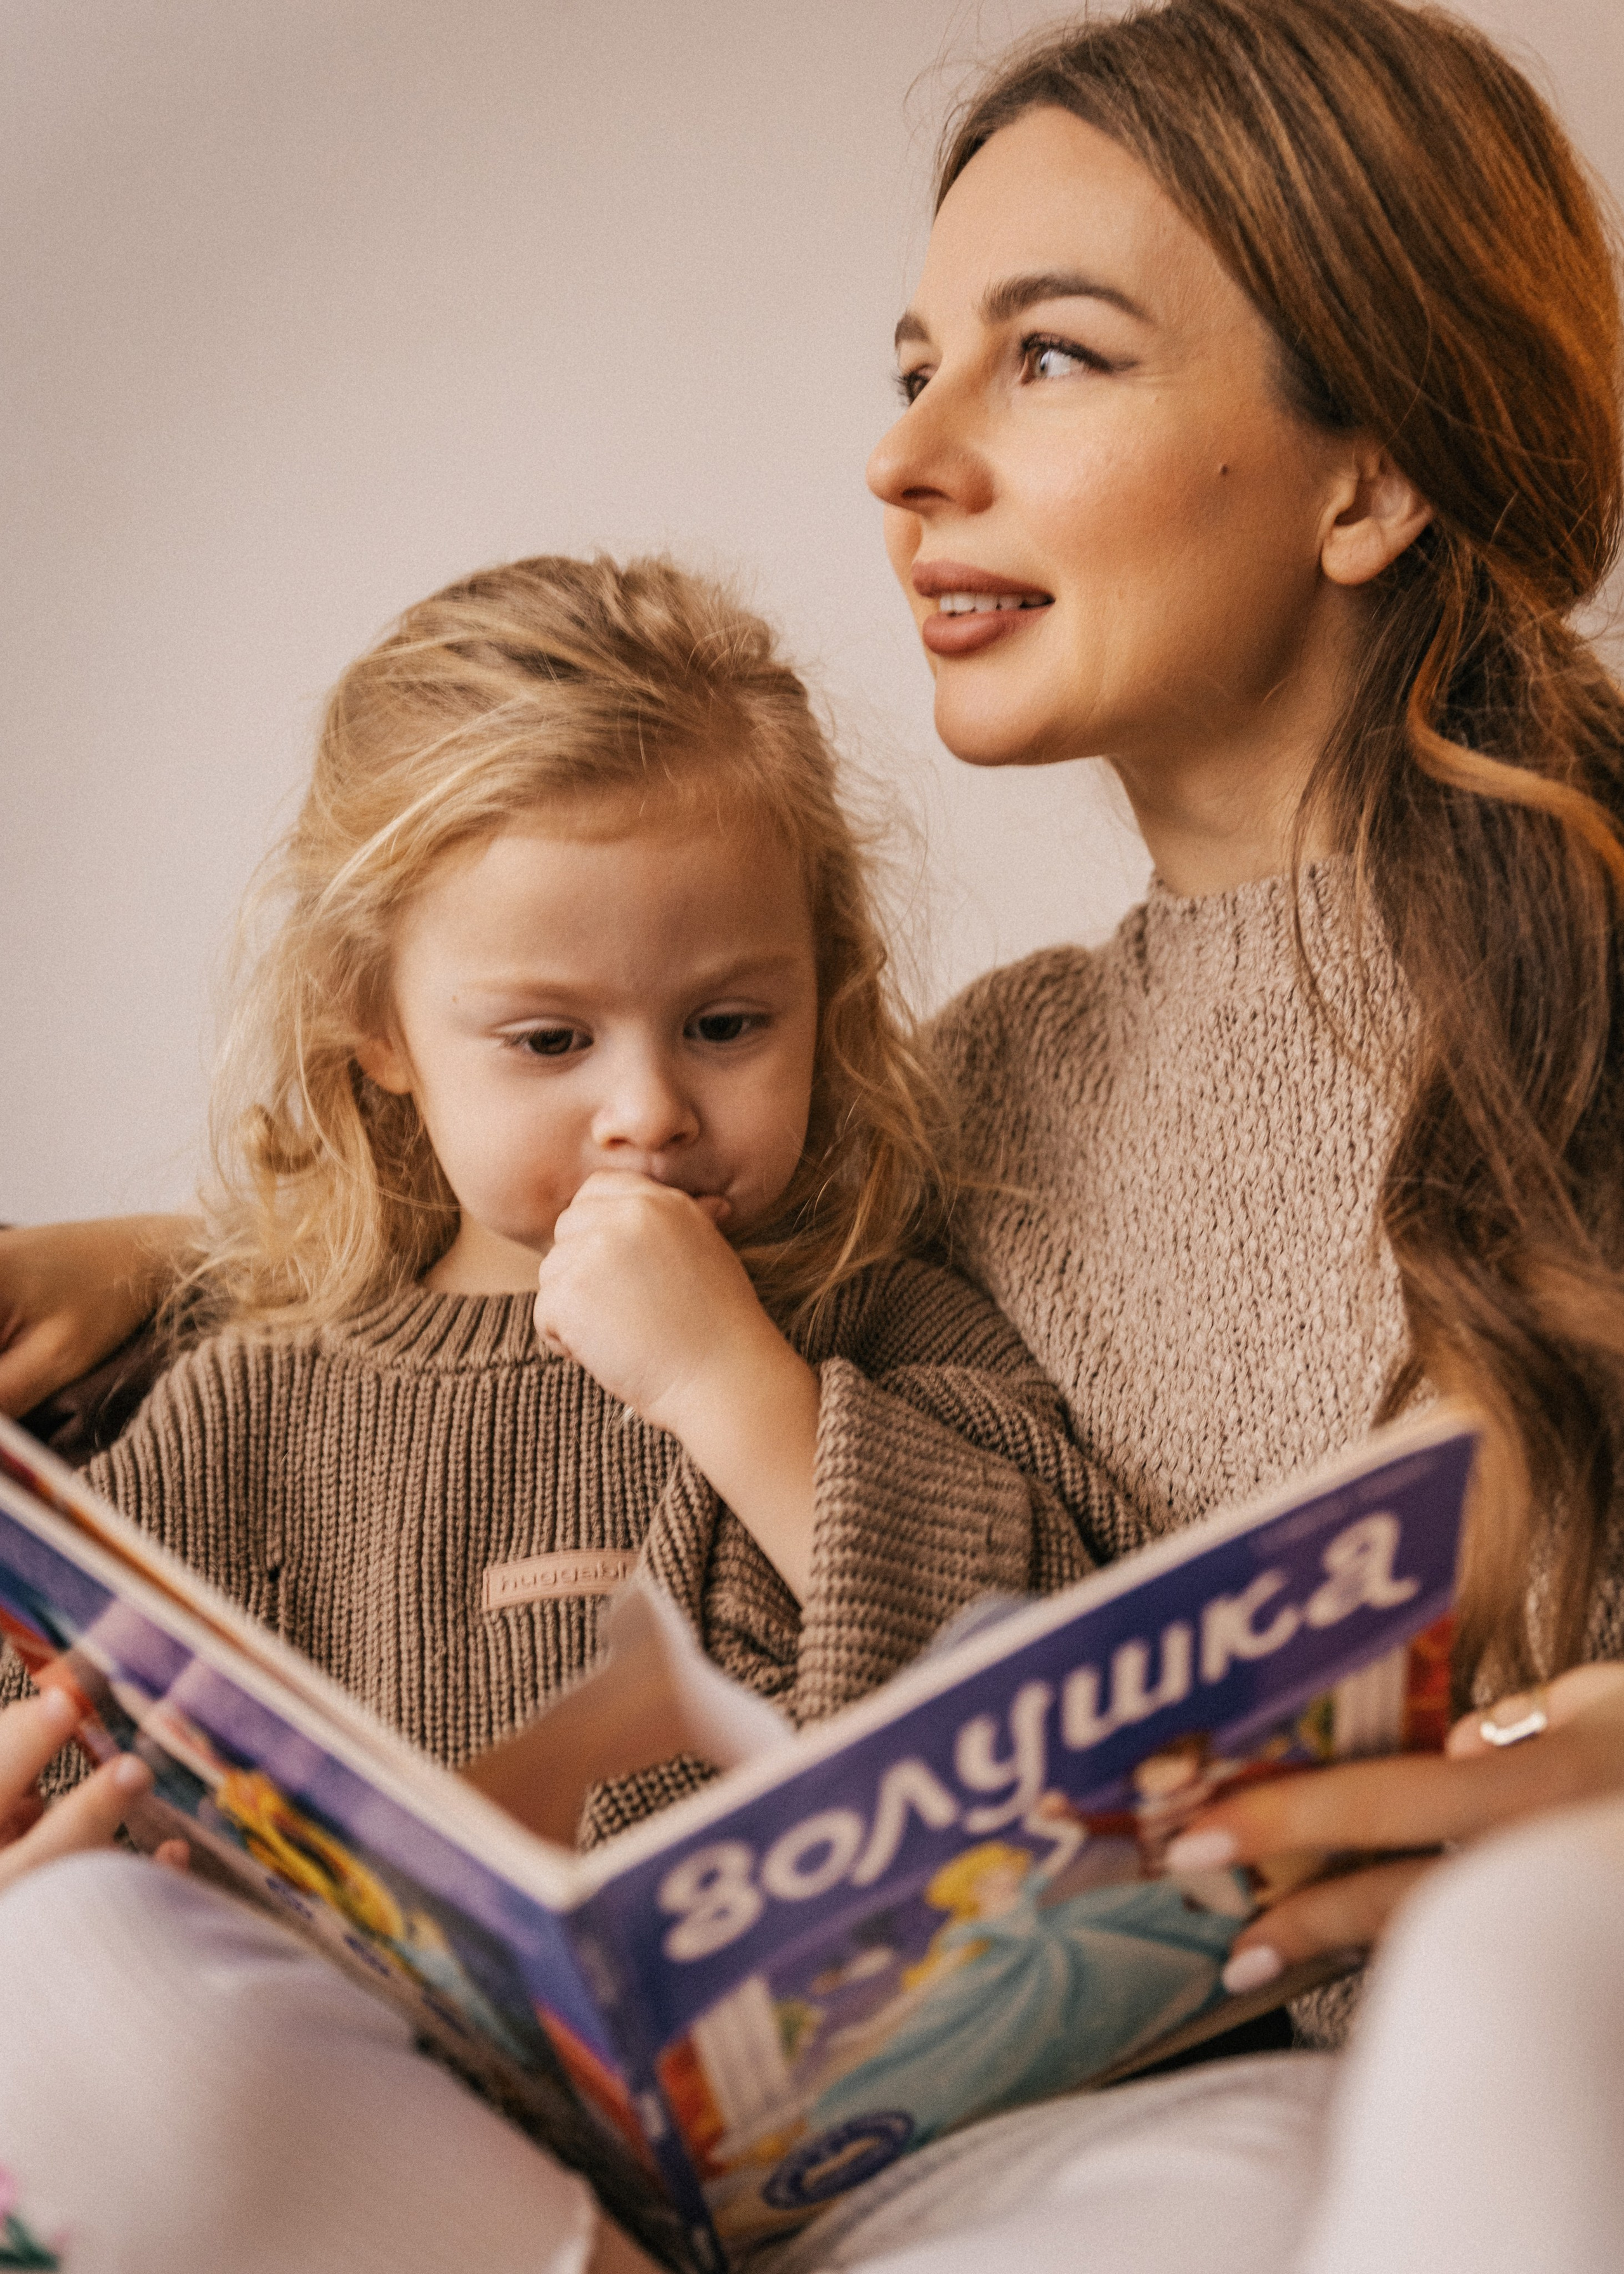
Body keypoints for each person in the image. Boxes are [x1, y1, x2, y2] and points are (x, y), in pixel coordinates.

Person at [5, 0, 1624, 2265]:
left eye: (1048, 358)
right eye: (910, 369)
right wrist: (151, 1262)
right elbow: (591, 1215)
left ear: (1366, 475)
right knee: (62, 1995)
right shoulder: (999, 1088)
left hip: (1386, 2073)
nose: (908, 463)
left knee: (1543, 1948)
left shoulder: (1585, 953)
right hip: (914, 2131)